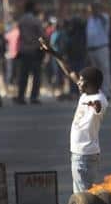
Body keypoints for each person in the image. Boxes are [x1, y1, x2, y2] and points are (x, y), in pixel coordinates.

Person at [40, 38, 107, 192]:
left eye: (82, 81)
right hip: (79, 153)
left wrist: (95, 106)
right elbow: (69, 71)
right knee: (82, 193)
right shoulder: (86, 94)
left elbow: (98, 107)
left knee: (82, 195)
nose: (78, 83)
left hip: (85, 155)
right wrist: (53, 53)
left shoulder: (99, 99)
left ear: (91, 84)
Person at [16, 0, 44, 105]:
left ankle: (21, 96)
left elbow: (20, 34)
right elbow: (42, 35)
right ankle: (33, 97)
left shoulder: (21, 20)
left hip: (24, 50)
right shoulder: (36, 20)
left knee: (23, 75)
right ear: (32, 8)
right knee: (36, 75)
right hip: (35, 50)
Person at [86, 3, 111, 96]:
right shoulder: (90, 20)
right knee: (94, 72)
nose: (92, 11)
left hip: (101, 48)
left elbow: (104, 21)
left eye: (93, 9)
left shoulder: (104, 18)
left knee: (104, 70)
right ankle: (97, 91)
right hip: (91, 49)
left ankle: (106, 92)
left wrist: (97, 12)